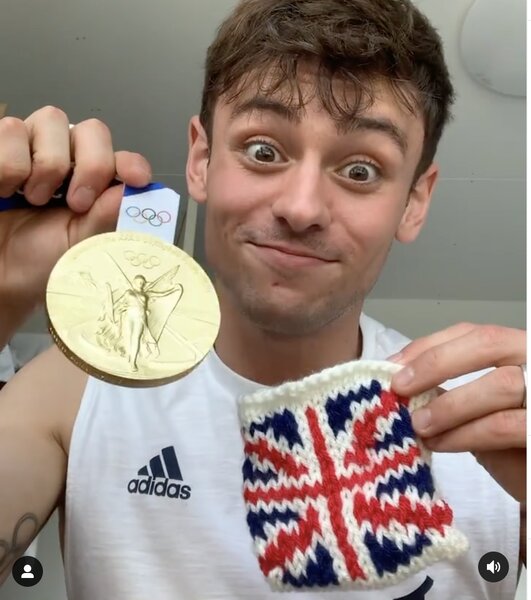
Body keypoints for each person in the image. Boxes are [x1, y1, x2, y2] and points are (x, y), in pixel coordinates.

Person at [0, 0, 526, 598]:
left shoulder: (493, 417)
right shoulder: (75, 387)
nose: (301, 208)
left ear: (414, 201)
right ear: (201, 160)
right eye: (263, 151)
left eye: (359, 170)